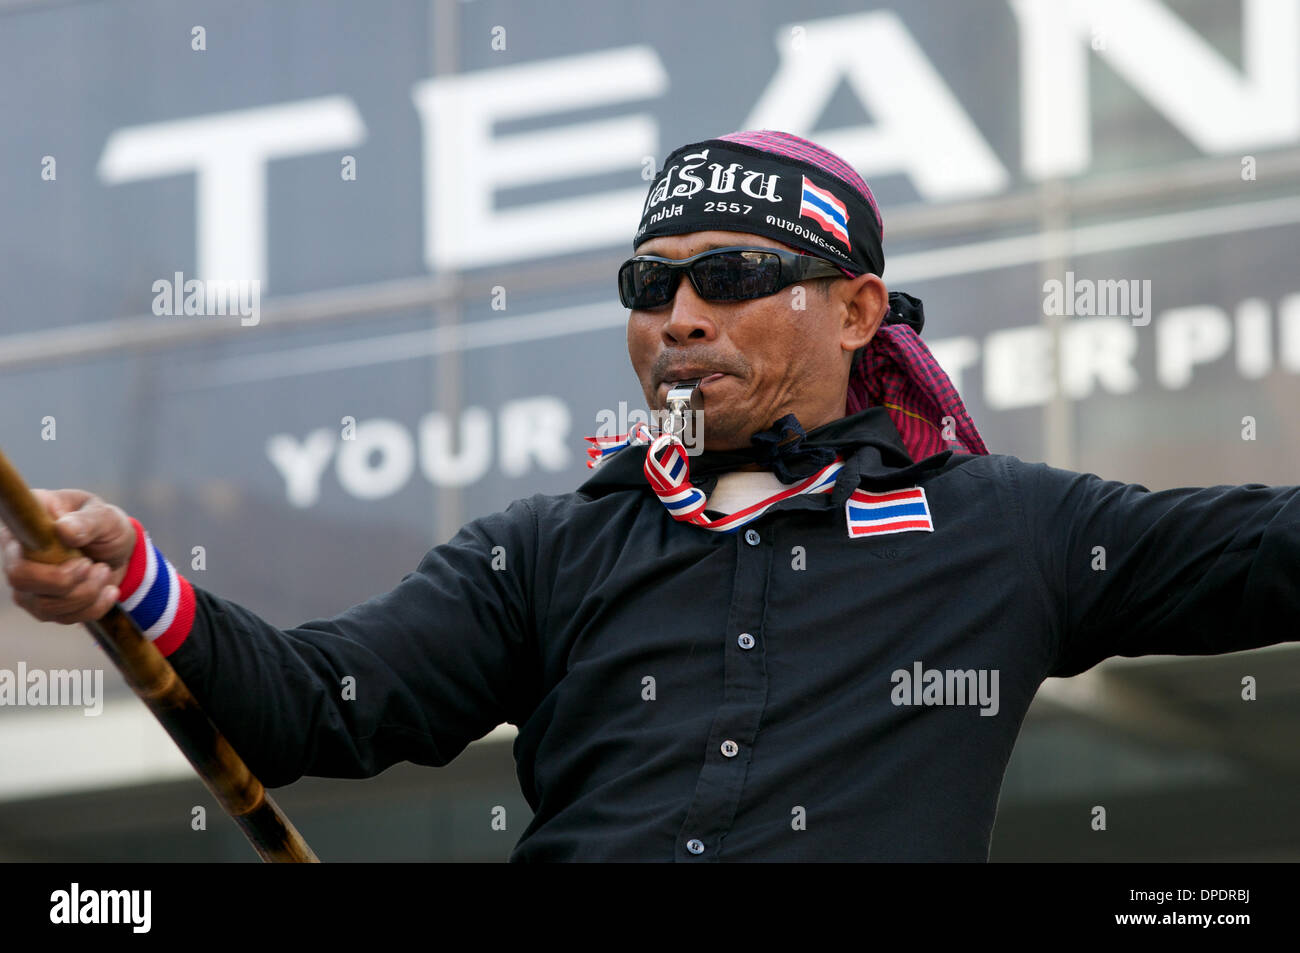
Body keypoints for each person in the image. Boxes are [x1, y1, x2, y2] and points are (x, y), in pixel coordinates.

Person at [4, 130, 1297, 862]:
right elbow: (314, 706)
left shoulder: (1009, 527)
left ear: (855, 310)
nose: (680, 315)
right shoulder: (548, 547)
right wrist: (136, 583)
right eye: (648, 285)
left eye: (729, 275)